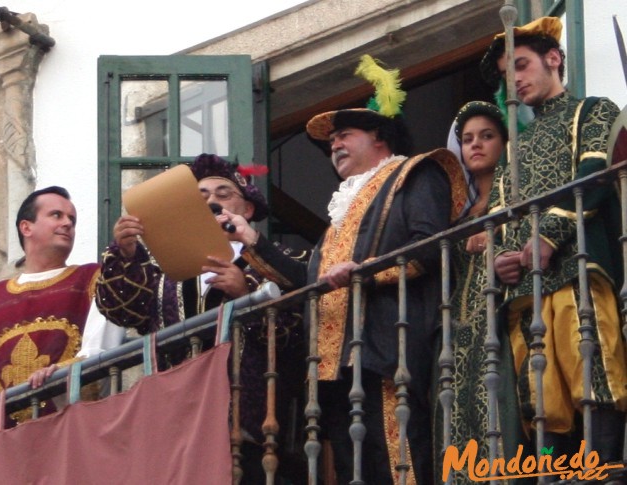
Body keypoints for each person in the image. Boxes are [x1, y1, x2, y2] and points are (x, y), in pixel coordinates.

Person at [219, 55, 467, 484]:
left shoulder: (416, 172)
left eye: (344, 135)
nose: (333, 143)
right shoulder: (341, 212)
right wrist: (251, 239)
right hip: (335, 364)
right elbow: (312, 282)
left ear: (379, 136)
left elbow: (429, 249)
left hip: (389, 346)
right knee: (355, 470)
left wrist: (365, 270)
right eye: (331, 139)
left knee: (398, 460)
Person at [94, 153, 308, 484]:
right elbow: (120, 310)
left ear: (247, 210)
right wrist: (125, 253)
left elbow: (298, 334)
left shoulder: (280, 260)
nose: (211, 202)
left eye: (224, 194)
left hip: (251, 428)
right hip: (177, 427)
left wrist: (245, 293)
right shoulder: (164, 270)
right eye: (201, 196)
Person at [481, 16, 627, 463]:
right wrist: (501, 257)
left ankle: (602, 469)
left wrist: (549, 235)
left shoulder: (592, 110)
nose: (516, 81)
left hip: (579, 267)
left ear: (554, 59)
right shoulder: (515, 148)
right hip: (527, 288)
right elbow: (497, 213)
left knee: (593, 372)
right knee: (543, 399)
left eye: (522, 66)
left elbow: (594, 173)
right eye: (509, 75)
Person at [0, 186, 126, 443]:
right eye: (56, 215)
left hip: (70, 440)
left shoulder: (93, 280)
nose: (67, 223)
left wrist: (60, 375)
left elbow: (101, 353)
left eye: (72, 219)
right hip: (5, 450)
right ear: (27, 227)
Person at [435, 101, 528, 483]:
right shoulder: (457, 213)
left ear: (505, 142)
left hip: (504, 319)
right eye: (468, 139)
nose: (476, 145)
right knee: (457, 414)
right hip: (460, 326)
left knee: (503, 408)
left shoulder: (519, 196)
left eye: (487, 136)